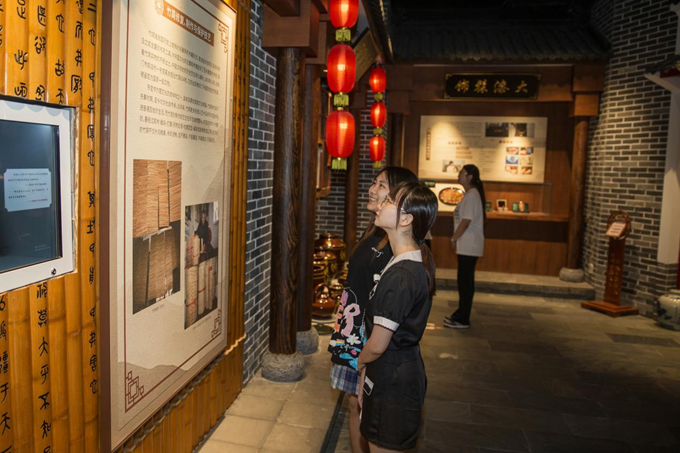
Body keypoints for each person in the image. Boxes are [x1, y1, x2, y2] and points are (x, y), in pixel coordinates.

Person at [328, 167, 419, 453]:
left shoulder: (395, 246)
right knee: (355, 405)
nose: (372, 189)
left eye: (382, 186)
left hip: (368, 339)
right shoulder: (377, 232)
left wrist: (367, 350)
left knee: (363, 408)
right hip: (353, 332)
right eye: (374, 182)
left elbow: (386, 307)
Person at [357, 181, 438, 452]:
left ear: (406, 219)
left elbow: (378, 344)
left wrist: (360, 362)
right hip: (390, 372)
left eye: (389, 201)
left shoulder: (402, 274)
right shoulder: (404, 260)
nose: (380, 205)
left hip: (393, 379)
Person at [445, 164, 485, 329]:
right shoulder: (470, 194)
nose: (458, 176)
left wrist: (454, 238)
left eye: (461, 173)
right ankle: (461, 313)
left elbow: (466, 221)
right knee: (464, 281)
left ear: (469, 177)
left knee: (465, 282)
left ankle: (463, 318)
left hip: (469, 245)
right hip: (467, 245)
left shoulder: (472, 195)